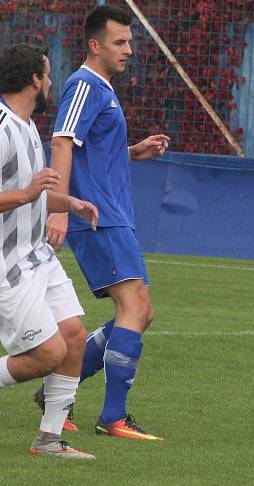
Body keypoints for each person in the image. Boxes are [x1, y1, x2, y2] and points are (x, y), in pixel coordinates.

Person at [41, 4, 170, 441]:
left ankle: (63, 386)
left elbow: (90, 147)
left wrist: (133, 151)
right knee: (134, 308)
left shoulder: (103, 88)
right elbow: (61, 140)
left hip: (112, 213)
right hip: (96, 215)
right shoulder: (84, 84)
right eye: (120, 42)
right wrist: (59, 206)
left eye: (131, 41)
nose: (129, 49)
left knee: (140, 312)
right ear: (95, 45)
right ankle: (113, 416)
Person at [0, 43, 99, 459]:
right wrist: (25, 193)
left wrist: (68, 203)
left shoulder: (26, 127)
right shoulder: (2, 127)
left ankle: (49, 438)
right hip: (8, 266)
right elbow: (21, 193)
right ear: (34, 80)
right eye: (47, 72)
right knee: (48, 353)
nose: (51, 80)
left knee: (74, 336)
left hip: (37, 254)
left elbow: (35, 195)